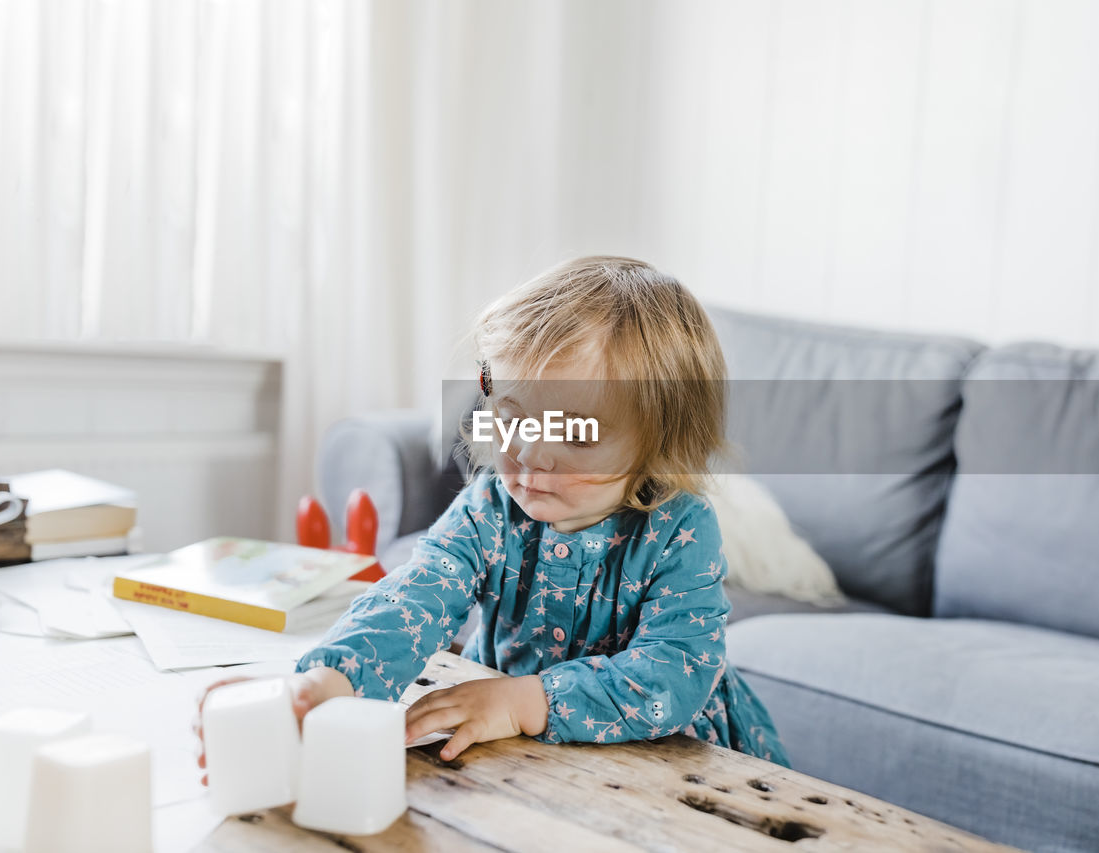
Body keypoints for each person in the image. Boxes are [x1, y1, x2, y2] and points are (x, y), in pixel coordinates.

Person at [194, 256, 788, 782]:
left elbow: (673, 672)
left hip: (666, 761)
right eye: (510, 415)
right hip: (517, 758)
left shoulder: (681, 529)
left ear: (661, 443)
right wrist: (323, 685)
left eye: (576, 437)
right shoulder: (490, 507)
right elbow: (413, 597)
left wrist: (523, 702)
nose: (528, 454)